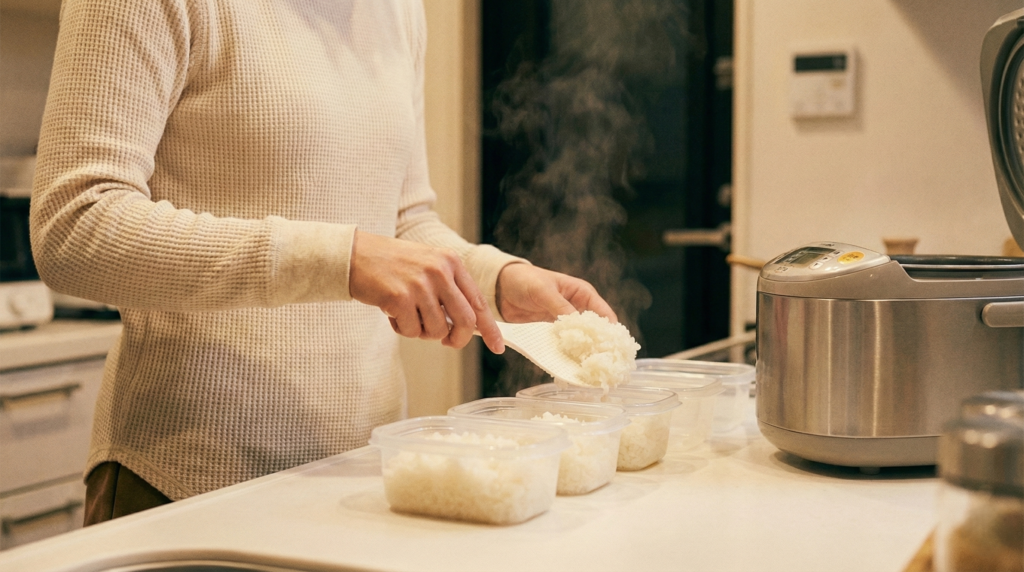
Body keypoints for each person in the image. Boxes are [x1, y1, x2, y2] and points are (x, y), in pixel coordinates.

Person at [30, 0, 616, 525]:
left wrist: (494, 280)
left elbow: (403, 220)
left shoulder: (398, 10)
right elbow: (74, 225)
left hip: (363, 475)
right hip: (186, 485)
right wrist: (342, 258)